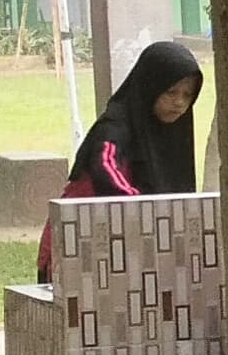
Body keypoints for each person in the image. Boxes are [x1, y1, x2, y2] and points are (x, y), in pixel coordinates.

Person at [41, 38, 206, 278]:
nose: (180, 102)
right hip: (78, 246)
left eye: (187, 94)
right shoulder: (114, 127)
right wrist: (149, 209)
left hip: (132, 250)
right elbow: (105, 169)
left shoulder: (173, 136)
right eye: (170, 91)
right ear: (150, 86)